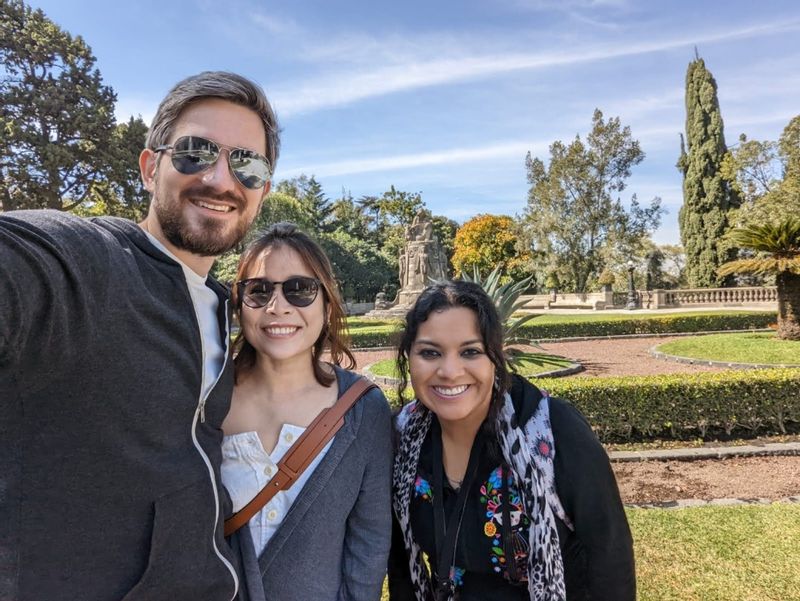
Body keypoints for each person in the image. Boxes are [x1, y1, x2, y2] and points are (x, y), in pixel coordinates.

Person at [0, 71, 279, 600]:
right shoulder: (87, 264)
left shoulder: (220, 309)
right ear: (151, 168)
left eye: (247, 164)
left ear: (262, 192)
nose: (222, 180)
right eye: (196, 152)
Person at [388, 281, 636, 601]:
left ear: (495, 357)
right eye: (430, 352)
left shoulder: (553, 430)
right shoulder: (402, 438)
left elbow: (609, 557)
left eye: (470, 351)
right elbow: (400, 567)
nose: (449, 371)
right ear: (408, 357)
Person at [223, 222, 392, 601]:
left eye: (300, 290)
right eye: (259, 290)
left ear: (327, 303)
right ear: (240, 304)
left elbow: (369, 541)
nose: (278, 306)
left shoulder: (364, 409)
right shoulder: (206, 400)